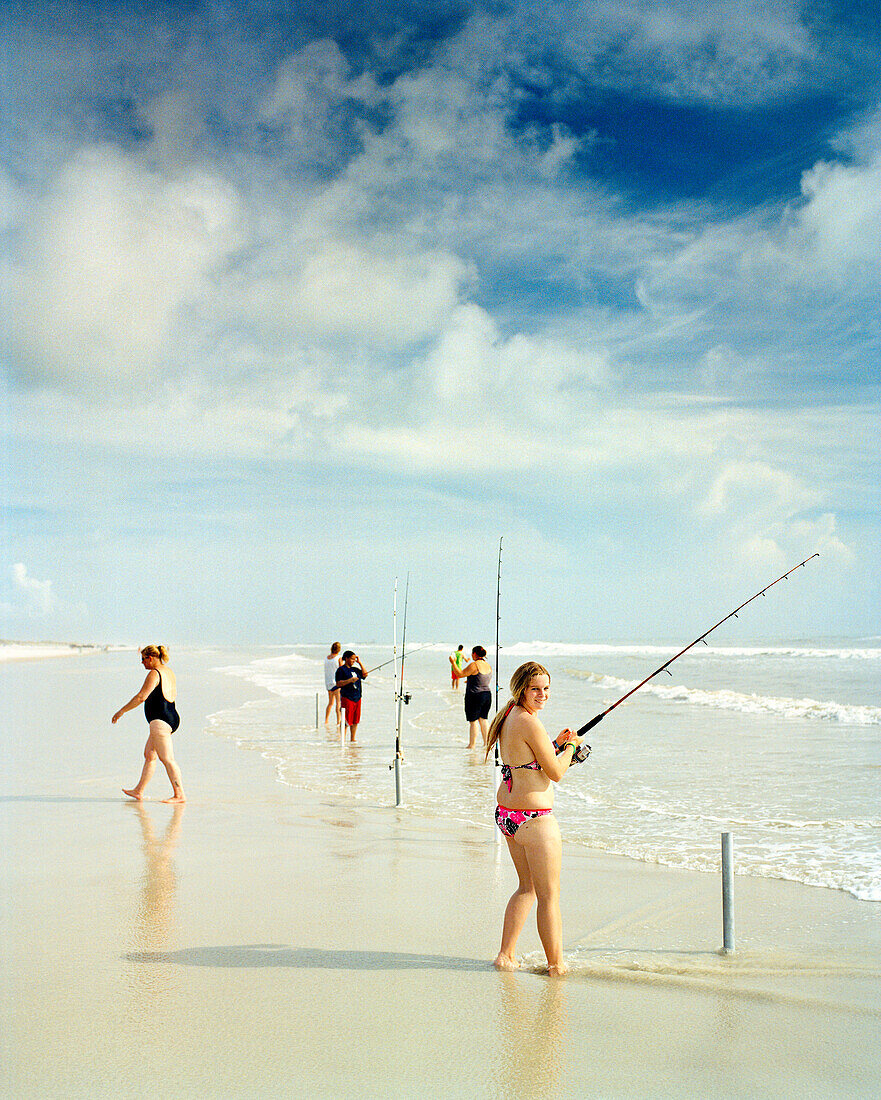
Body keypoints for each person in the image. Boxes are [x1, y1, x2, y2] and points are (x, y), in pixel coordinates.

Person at [485, 661, 582, 977]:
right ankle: (556, 966)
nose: (543, 695)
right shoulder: (529, 722)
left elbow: (529, 759)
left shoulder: (509, 717)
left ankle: (505, 955)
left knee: (526, 888)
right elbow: (554, 773)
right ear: (521, 690)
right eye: (535, 689)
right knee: (549, 896)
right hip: (533, 820)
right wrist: (570, 747)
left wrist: (554, 744)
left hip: (508, 815)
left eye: (546, 689)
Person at [113, 645, 186, 803]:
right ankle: (139, 791)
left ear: (151, 658)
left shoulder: (155, 673)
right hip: (171, 716)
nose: (142, 663)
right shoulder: (168, 671)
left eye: (143, 659)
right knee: (149, 755)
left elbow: (141, 697)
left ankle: (179, 794)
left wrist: (122, 711)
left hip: (160, 721)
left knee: (167, 759)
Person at [451, 645, 493, 748]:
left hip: (475, 696)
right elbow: (483, 679)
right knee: (483, 719)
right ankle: (486, 743)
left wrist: (453, 662)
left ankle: (472, 745)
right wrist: (470, 680)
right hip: (487, 695)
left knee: (473, 721)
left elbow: (460, 674)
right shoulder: (488, 665)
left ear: (474, 654)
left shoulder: (474, 665)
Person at [335, 650, 368, 742]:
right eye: (352, 659)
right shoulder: (341, 670)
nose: (353, 661)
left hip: (357, 697)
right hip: (347, 697)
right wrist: (350, 681)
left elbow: (365, 674)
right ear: (346, 658)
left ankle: (352, 739)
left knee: (355, 720)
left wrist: (360, 663)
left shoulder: (356, 669)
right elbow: (338, 683)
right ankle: (342, 739)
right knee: (346, 720)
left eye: (355, 659)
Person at [324, 642, 342, 726]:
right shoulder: (339, 658)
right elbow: (342, 670)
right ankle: (338, 721)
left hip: (328, 683)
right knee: (338, 703)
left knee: (330, 703)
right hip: (336, 683)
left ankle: (326, 720)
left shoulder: (327, 658)